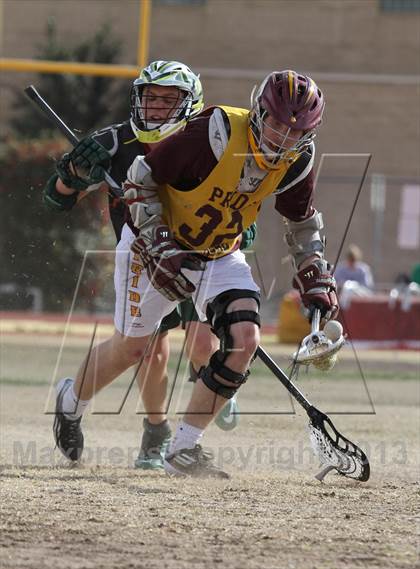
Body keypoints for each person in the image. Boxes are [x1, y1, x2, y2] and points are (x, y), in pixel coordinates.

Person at [117, 69, 339, 478]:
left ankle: (182, 449)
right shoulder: (215, 132)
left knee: (244, 338)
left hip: (220, 250)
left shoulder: (297, 160)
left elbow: (301, 223)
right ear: (259, 113)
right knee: (129, 349)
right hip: (160, 239)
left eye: (295, 132)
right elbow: (140, 178)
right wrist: (160, 240)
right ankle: (70, 401)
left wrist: (312, 269)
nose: (283, 139)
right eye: (276, 125)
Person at [44, 60, 247, 470]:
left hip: (204, 251)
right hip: (146, 258)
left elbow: (241, 195)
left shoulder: (214, 139)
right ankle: (89, 408)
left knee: (209, 343)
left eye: (167, 100)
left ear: (191, 104)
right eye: (149, 98)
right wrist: (74, 173)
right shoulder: (114, 143)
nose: (155, 108)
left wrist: (244, 226)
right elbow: (58, 197)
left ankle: (204, 404)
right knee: (140, 350)